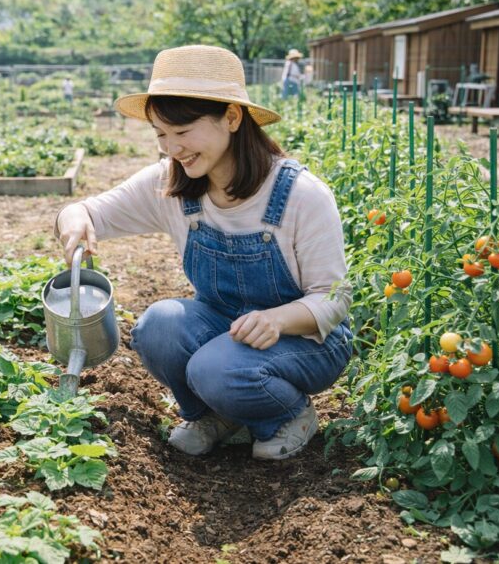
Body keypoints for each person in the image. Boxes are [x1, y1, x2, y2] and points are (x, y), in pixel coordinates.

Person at [55, 45, 352, 461]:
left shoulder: (300, 195)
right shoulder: (172, 184)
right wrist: (73, 220)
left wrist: (277, 319)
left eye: (182, 131)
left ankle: (287, 415)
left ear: (231, 118)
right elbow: (86, 210)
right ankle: (213, 415)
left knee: (216, 368)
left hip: (304, 341)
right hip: (224, 328)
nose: (172, 148)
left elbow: (335, 297)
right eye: (161, 134)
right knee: (158, 328)